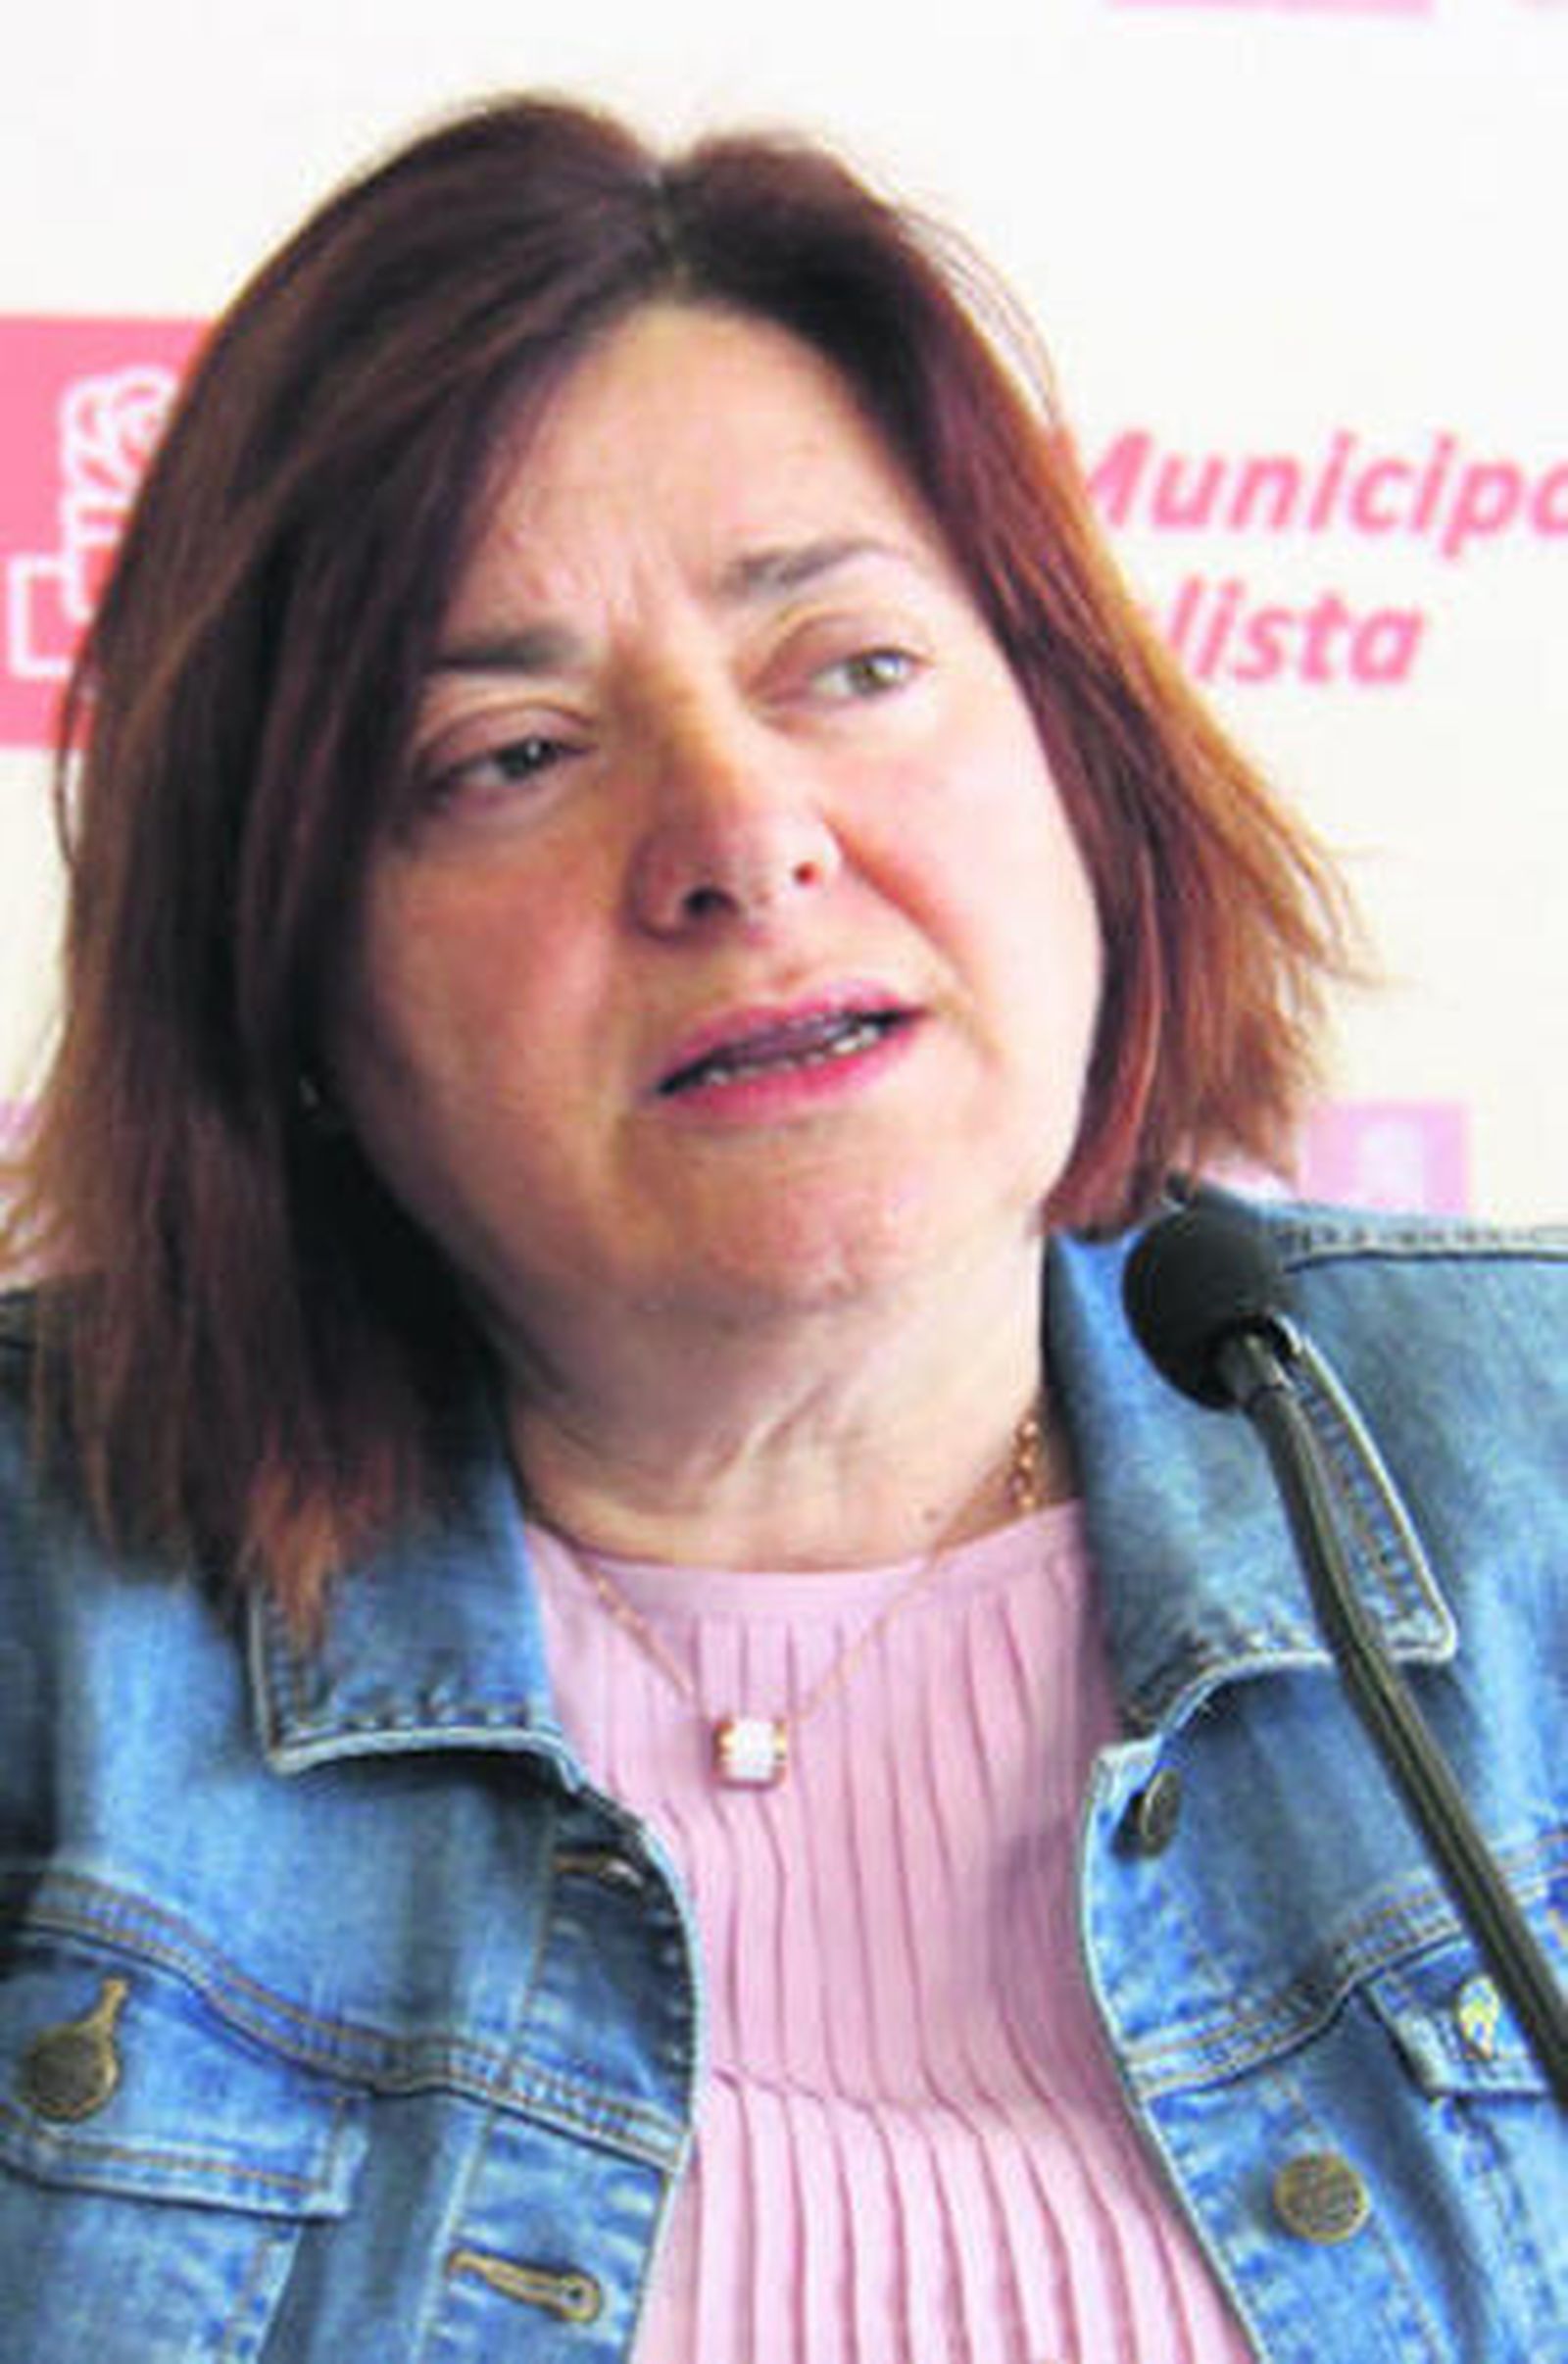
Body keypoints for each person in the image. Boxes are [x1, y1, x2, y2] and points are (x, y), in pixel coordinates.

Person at [0, 92, 1563, 2364]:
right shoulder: (56, 1609)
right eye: (511, 756)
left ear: (1079, 766)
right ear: (288, 978)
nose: (740, 835)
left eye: (849, 665)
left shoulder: (1522, 1469)